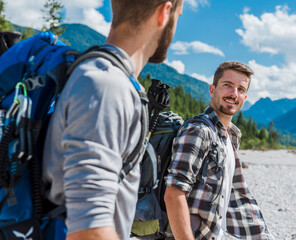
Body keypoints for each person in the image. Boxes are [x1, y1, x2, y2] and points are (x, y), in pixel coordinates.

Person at [42, 0, 183, 240]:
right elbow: (89, 230)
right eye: (178, 15)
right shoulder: (107, 86)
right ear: (164, 13)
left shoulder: (113, 81)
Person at [164, 61, 274, 239]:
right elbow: (174, 193)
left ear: (245, 98)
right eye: (228, 85)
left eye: (241, 89)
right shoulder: (199, 131)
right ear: (212, 89)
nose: (234, 94)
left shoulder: (230, 136)